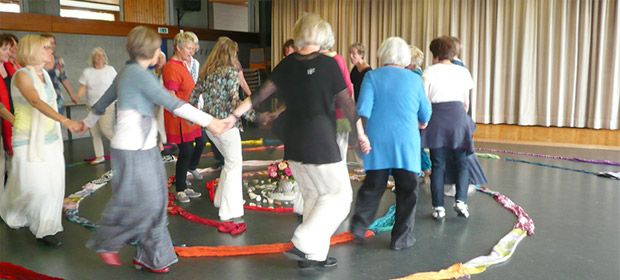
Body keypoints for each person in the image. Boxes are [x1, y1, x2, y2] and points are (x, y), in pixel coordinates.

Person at [83, 26, 226, 273]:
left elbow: (101, 104)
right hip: (131, 149)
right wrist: (210, 121)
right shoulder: (138, 75)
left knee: (157, 200)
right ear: (152, 51)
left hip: (144, 147)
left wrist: (82, 124)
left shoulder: (132, 72)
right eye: (158, 47)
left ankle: (149, 256)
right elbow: (173, 103)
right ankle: (108, 241)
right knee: (140, 200)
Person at [228, 13, 361, 271]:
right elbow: (347, 104)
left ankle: (314, 257)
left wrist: (234, 115)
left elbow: (258, 94)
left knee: (312, 195)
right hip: (320, 141)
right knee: (340, 196)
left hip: (294, 141)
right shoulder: (329, 64)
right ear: (321, 35)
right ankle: (304, 240)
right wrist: (360, 134)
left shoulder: (287, 64)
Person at [0, 34, 83, 247]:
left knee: (53, 186)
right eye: (45, 48)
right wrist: (66, 121)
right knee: (33, 187)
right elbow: (35, 101)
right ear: (32, 51)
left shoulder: (45, 74)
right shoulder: (21, 75)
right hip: (26, 141)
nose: (50, 51)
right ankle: (12, 207)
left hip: (51, 141)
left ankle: (46, 228)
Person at [350, 37, 432, 250]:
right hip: (406, 142)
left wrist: (361, 136)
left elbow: (362, 110)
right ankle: (401, 239)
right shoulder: (415, 79)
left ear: (382, 55)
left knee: (373, 185)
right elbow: (426, 113)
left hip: (378, 141)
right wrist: (421, 122)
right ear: (405, 58)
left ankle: (359, 226)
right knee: (407, 190)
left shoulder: (372, 77)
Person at [192, 36, 256, 224]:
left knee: (229, 163)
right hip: (227, 126)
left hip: (210, 126)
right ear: (231, 53)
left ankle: (222, 200)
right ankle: (229, 210)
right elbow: (234, 101)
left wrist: (196, 119)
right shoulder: (230, 72)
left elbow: (193, 97)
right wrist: (254, 116)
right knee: (234, 165)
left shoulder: (206, 72)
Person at [421, 36, 475, 219]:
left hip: (437, 119)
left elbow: (425, 101)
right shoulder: (463, 72)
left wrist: (423, 123)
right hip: (458, 118)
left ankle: (438, 208)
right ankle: (461, 201)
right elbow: (466, 104)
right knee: (462, 163)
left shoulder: (429, 71)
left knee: (438, 165)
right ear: (454, 53)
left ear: (434, 53)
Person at [163, 31, 204, 203]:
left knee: (193, 147)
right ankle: (180, 187)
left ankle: (182, 184)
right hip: (180, 116)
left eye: (193, 49)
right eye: (188, 48)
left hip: (188, 113)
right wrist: (186, 113)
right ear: (178, 48)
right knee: (186, 151)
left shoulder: (184, 65)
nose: (191, 52)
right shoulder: (171, 67)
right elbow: (171, 95)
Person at [76, 47, 117, 165]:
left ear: (105, 58)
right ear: (93, 59)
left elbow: (117, 84)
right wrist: (76, 97)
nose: (99, 58)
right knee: (95, 133)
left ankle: (121, 150)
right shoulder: (87, 72)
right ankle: (99, 156)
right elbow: (83, 88)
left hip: (107, 106)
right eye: (97, 56)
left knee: (106, 130)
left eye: (102, 55)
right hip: (91, 106)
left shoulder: (110, 70)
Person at [409, 46, 432, 183]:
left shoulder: (415, 76)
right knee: (417, 145)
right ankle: (425, 169)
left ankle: (425, 169)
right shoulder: (418, 73)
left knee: (416, 145)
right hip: (416, 114)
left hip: (415, 114)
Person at [40, 33, 77, 115]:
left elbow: (63, 78)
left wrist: (72, 95)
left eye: (53, 43)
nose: (52, 46)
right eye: (49, 43)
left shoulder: (58, 61)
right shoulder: (36, 61)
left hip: (57, 97)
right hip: (42, 97)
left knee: (57, 124)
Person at [0, 34, 17, 186]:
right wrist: (14, 120)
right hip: (4, 123)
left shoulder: (9, 68)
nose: (8, 52)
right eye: (5, 49)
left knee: (12, 170)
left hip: (12, 123)